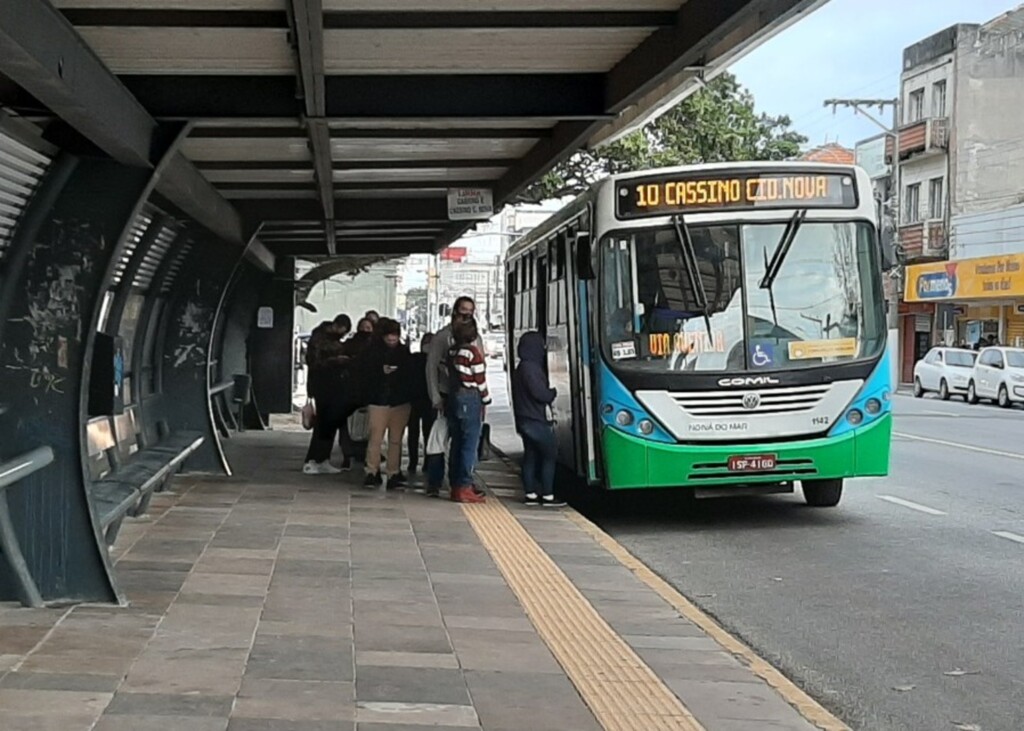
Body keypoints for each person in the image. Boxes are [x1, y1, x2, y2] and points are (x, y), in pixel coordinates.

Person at [425, 296, 485, 498]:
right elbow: (431, 367)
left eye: (470, 312)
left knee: (461, 442)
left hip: (463, 396)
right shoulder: (442, 337)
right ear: (455, 312)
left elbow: (480, 369)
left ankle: (459, 482)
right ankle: (437, 482)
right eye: (463, 311)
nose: (466, 315)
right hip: (446, 395)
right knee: (440, 441)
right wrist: (435, 397)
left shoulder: (475, 339)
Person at [512, 332, 565, 507]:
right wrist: (552, 393)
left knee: (530, 455)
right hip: (535, 420)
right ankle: (548, 495)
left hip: (524, 419)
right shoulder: (531, 369)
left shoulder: (521, 368)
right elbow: (540, 394)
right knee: (550, 454)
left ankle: (531, 494)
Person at [361, 318, 413, 489]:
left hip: (398, 401)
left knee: (395, 439)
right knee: (376, 437)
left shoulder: (404, 352)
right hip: (379, 399)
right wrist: (380, 372)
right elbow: (364, 375)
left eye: (395, 335)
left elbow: (409, 374)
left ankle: (393, 472)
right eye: (388, 335)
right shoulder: (372, 352)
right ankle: (372, 471)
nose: (392, 339)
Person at [447, 318, 490, 503]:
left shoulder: (452, 351)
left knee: (457, 443)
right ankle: (465, 485)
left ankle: (455, 485)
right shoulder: (472, 352)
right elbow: (479, 379)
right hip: (470, 398)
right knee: (470, 445)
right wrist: (486, 398)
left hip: (454, 397)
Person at [302, 315, 351, 474]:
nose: (342, 335)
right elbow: (314, 363)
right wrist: (336, 361)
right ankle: (313, 459)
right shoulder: (319, 339)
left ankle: (323, 459)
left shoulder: (326, 338)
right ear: (337, 326)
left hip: (333, 386)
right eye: (342, 331)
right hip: (323, 386)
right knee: (323, 424)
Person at [407, 332, 434, 477]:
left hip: (415, 399)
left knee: (414, 432)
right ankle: (426, 462)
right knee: (426, 432)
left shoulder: (414, 359)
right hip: (427, 400)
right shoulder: (434, 360)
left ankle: (413, 462)